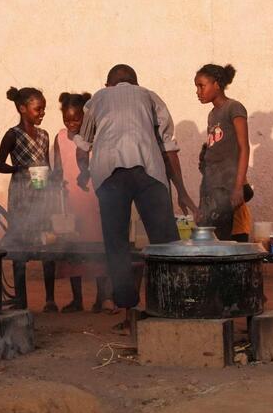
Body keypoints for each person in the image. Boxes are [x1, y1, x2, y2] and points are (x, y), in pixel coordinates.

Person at [75, 64, 198, 317]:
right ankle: (172, 299)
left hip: (110, 175)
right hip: (149, 172)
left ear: (109, 84)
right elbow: (168, 148)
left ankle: (127, 305)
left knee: (116, 242)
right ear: (136, 82)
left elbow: (82, 146)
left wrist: (84, 171)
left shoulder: (97, 98)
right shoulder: (150, 96)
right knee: (165, 241)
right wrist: (182, 192)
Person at [0, 86, 57, 311]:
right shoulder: (13, 135)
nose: (42, 113)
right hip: (21, 197)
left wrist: (53, 179)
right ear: (22, 109)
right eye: (38, 109)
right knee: (20, 246)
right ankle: (22, 300)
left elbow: (45, 164)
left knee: (48, 245)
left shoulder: (44, 135)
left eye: (43, 109)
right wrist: (18, 169)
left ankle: (50, 300)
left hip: (41, 195)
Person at [52, 92, 111, 313]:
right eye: (67, 120)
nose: (71, 124)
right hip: (70, 202)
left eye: (76, 119)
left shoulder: (95, 138)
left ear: (85, 118)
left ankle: (101, 297)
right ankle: (77, 299)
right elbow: (58, 169)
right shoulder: (59, 137)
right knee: (72, 251)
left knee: (97, 250)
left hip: (93, 199)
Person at [194, 64, 250, 240]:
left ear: (216, 85)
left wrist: (239, 186)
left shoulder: (234, 108)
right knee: (211, 237)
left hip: (229, 185)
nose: (198, 91)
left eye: (201, 86)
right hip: (214, 187)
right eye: (196, 87)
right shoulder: (212, 114)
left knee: (226, 241)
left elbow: (244, 147)